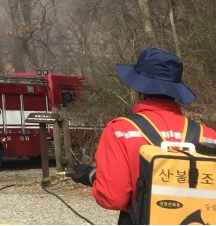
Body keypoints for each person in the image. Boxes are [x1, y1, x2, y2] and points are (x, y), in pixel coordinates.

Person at [68, 48, 216, 225]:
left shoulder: (121, 131)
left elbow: (113, 197)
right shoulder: (208, 135)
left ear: (137, 89)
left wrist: (91, 175)